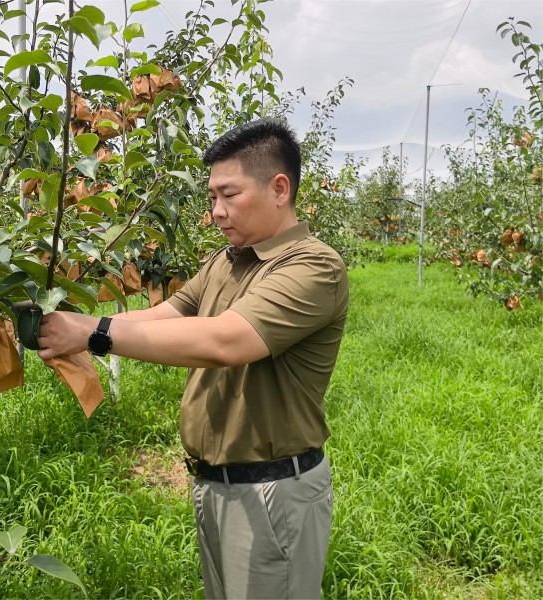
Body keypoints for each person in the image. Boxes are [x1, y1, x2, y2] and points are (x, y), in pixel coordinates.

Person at [37, 118, 349, 600]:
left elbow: (226, 341)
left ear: (279, 188)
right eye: (211, 198)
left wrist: (93, 334)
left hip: (272, 493)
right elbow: (163, 315)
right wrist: (72, 324)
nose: (217, 212)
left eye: (229, 194)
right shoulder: (226, 261)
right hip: (213, 485)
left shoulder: (315, 266)